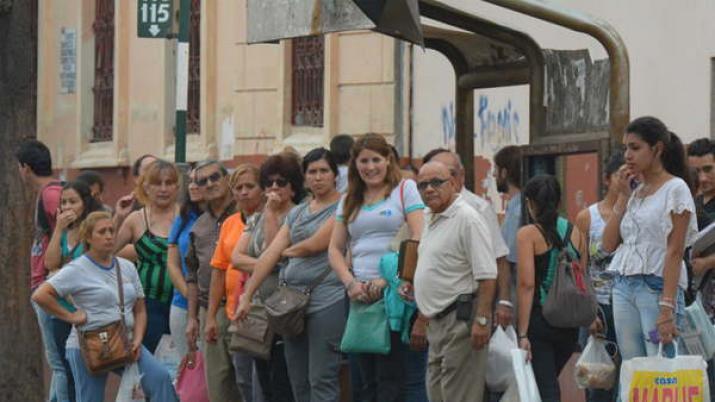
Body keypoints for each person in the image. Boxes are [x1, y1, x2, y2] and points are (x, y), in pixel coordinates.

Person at [31, 211, 179, 402]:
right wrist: (72, 316)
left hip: (125, 340)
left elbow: (140, 308)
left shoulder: (127, 266)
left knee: (160, 378)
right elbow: (40, 295)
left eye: (111, 231)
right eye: (102, 232)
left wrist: (138, 339)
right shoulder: (77, 268)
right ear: (89, 238)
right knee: (90, 398)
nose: (109, 236)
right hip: (88, 343)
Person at [236, 148, 345, 402]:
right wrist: (247, 296)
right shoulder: (298, 213)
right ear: (305, 178)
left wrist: (281, 253)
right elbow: (268, 255)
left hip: (327, 300)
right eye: (312, 172)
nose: (318, 177)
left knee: (322, 379)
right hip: (291, 304)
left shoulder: (344, 205)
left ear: (334, 175)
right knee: (298, 380)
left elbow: (314, 245)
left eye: (323, 171)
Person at [328, 133, 424, 402]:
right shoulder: (348, 199)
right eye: (364, 161)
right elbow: (335, 249)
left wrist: (386, 281)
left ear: (388, 160)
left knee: (392, 378)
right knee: (362, 381)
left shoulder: (405, 190)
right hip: (358, 296)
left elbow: (418, 237)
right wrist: (350, 283)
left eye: (376, 160)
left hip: (394, 294)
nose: (370, 167)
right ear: (355, 164)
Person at [602, 117, 695, 367]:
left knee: (660, 366)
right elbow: (608, 245)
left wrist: (667, 308)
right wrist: (622, 196)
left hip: (656, 286)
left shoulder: (676, 189)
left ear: (657, 149)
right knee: (632, 367)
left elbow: (675, 251)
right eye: (625, 148)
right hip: (623, 283)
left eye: (635, 147)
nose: (628, 155)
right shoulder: (634, 190)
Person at [411, 161, 497, 402]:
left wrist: (482, 320)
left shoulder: (468, 218)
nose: (429, 189)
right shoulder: (429, 216)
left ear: (453, 183)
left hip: (461, 320)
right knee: (437, 394)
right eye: (423, 185)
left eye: (436, 182)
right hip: (436, 323)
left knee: (459, 396)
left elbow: (488, 275)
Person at [232, 153, 304, 402]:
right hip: (260, 309)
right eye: (269, 182)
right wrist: (268, 264)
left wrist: (272, 213)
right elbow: (237, 258)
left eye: (281, 182)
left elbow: (274, 248)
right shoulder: (255, 218)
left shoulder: (297, 216)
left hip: (287, 308)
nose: (274, 187)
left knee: (282, 380)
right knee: (263, 381)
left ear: (293, 187)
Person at [516, 175, 588, 402]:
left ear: (530, 203)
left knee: (546, 390)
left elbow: (527, 285)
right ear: (558, 201)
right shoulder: (575, 232)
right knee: (547, 383)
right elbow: (582, 277)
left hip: (541, 321)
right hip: (570, 323)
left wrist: (523, 333)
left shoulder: (527, 234)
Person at [422, 149, 513, 327]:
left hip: (465, 310)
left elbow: (498, 260)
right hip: (433, 312)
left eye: (451, 174)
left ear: (461, 175)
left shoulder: (477, 209)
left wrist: (502, 303)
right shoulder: (427, 210)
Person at [184, 160, 245, 402]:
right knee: (218, 388)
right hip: (210, 311)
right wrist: (191, 318)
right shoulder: (199, 226)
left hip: (242, 307)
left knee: (246, 383)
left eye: (214, 177)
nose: (210, 184)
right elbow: (192, 275)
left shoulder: (246, 214)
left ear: (226, 179)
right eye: (202, 181)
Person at [16, 139, 68, 402]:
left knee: (59, 363)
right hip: (48, 284)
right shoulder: (51, 191)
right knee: (59, 363)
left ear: (25, 168)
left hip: (50, 286)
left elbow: (70, 231)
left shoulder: (51, 194)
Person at [44, 180, 104, 401]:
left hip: (86, 311)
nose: (68, 207)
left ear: (85, 203)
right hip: (60, 309)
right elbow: (50, 264)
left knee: (87, 369)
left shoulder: (93, 231)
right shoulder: (63, 232)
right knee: (63, 369)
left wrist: (62, 269)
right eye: (64, 202)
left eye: (73, 201)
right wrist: (58, 229)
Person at [211, 164, 265, 402]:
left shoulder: (269, 218)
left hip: (263, 312)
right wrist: (211, 316)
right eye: (238, 188)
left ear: (262, 189)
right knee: (242, 379)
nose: (244, 192)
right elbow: (219, 270)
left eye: (250, 187)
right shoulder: (230, 223)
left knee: (261, 382)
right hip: (235, 313)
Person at [114, 160, 180, 352]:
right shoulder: (136, 219)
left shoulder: (187, 216)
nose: (163, 189)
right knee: (149, 366)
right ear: (146, 187)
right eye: (157, 183)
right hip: (147, 305)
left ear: (176, 187)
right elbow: (105, 251)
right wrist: (118, 217)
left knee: (182, 368)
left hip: (182, 303)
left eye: (169, 183)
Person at [574, 152, 624, 402]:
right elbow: (579, 270)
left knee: (626, 375)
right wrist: (588, 311)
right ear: (607, 179)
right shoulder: (587, 218)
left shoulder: (633, 214)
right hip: (599, 306)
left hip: (627, 303)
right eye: (620, 175)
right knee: (597, 379)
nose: (626, 180)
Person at [167, 167, 205, 359]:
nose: (193, 186)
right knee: (188, 371)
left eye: (199, 181)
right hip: (182, 304)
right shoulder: (183, 217)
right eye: (190, 181)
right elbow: (172, 264)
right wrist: (189, 295)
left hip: (211, 306)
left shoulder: (223, 218)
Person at [494, 145, 523, 267]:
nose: (493, 174)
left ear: (504, 173)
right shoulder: (516, 208)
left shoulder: (517, 213)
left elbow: (509, 259)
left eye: (496, 169)